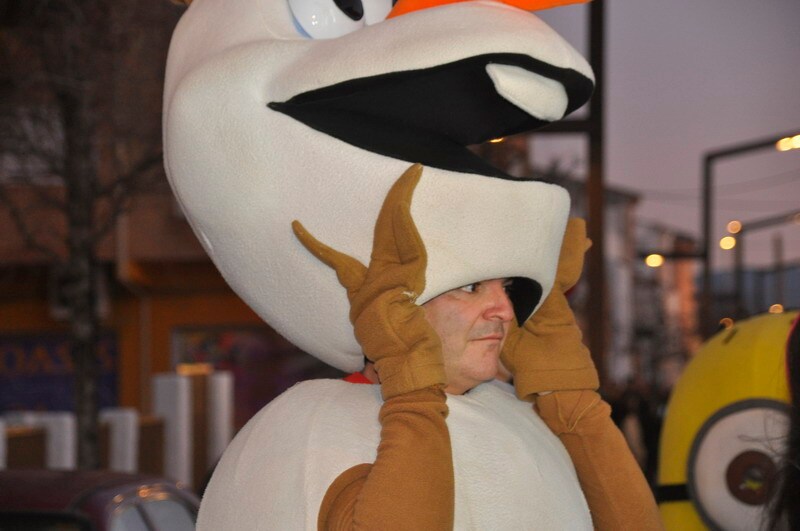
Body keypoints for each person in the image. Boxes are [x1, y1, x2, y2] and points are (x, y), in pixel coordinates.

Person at [287, 164, 663, 530]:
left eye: (508, 289)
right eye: (472, 287)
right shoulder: (325, 422)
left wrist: (567, 394)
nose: (505, 311)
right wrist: (412, 386)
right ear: (394, 304)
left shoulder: (519, 416)